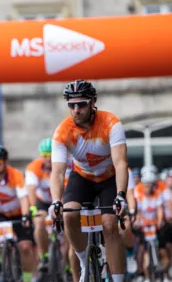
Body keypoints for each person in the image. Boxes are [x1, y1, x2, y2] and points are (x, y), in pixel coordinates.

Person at [49, 79, 129, 282]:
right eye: (72, 105)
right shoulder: (62, 131)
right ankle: (85, 261)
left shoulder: (111, 123)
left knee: (110, 224)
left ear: (93, 101)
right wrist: (56, 201)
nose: (76, 109)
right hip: (82, 177)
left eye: (82, 104)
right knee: (68, 215)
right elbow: (58, 172)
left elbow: (120, 162)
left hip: (109, 178)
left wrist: (121, 195)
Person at [0, 144, 36, 282]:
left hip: (18, 213)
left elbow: (23, 198)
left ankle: (27, 279)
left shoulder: (16, 175)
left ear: (5, 162)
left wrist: (26, 215)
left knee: (26, 247)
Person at [24, 137, 53, 273]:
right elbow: (31, 190)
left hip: (60, 198)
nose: (48, 159)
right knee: (39, 222)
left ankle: (68, 265)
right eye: (45, 155)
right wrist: (33, 208)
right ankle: (44, 257)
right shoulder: (34, 167)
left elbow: (68, 189)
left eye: (51, 155)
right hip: (42, 201)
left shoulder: (64, 164)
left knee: (68, 225)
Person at [133, 169, 167, 280]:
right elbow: (138, 211)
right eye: (147, 184)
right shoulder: (139, 192)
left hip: (154, 224)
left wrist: (161, 220)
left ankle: (162, 268)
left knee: (160, 247)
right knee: (143, 250)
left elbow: (159, 209)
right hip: (143, 224)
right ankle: (144, 273)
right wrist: (138, 220)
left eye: (151, 184)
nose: (149, 187)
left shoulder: (157, 193)